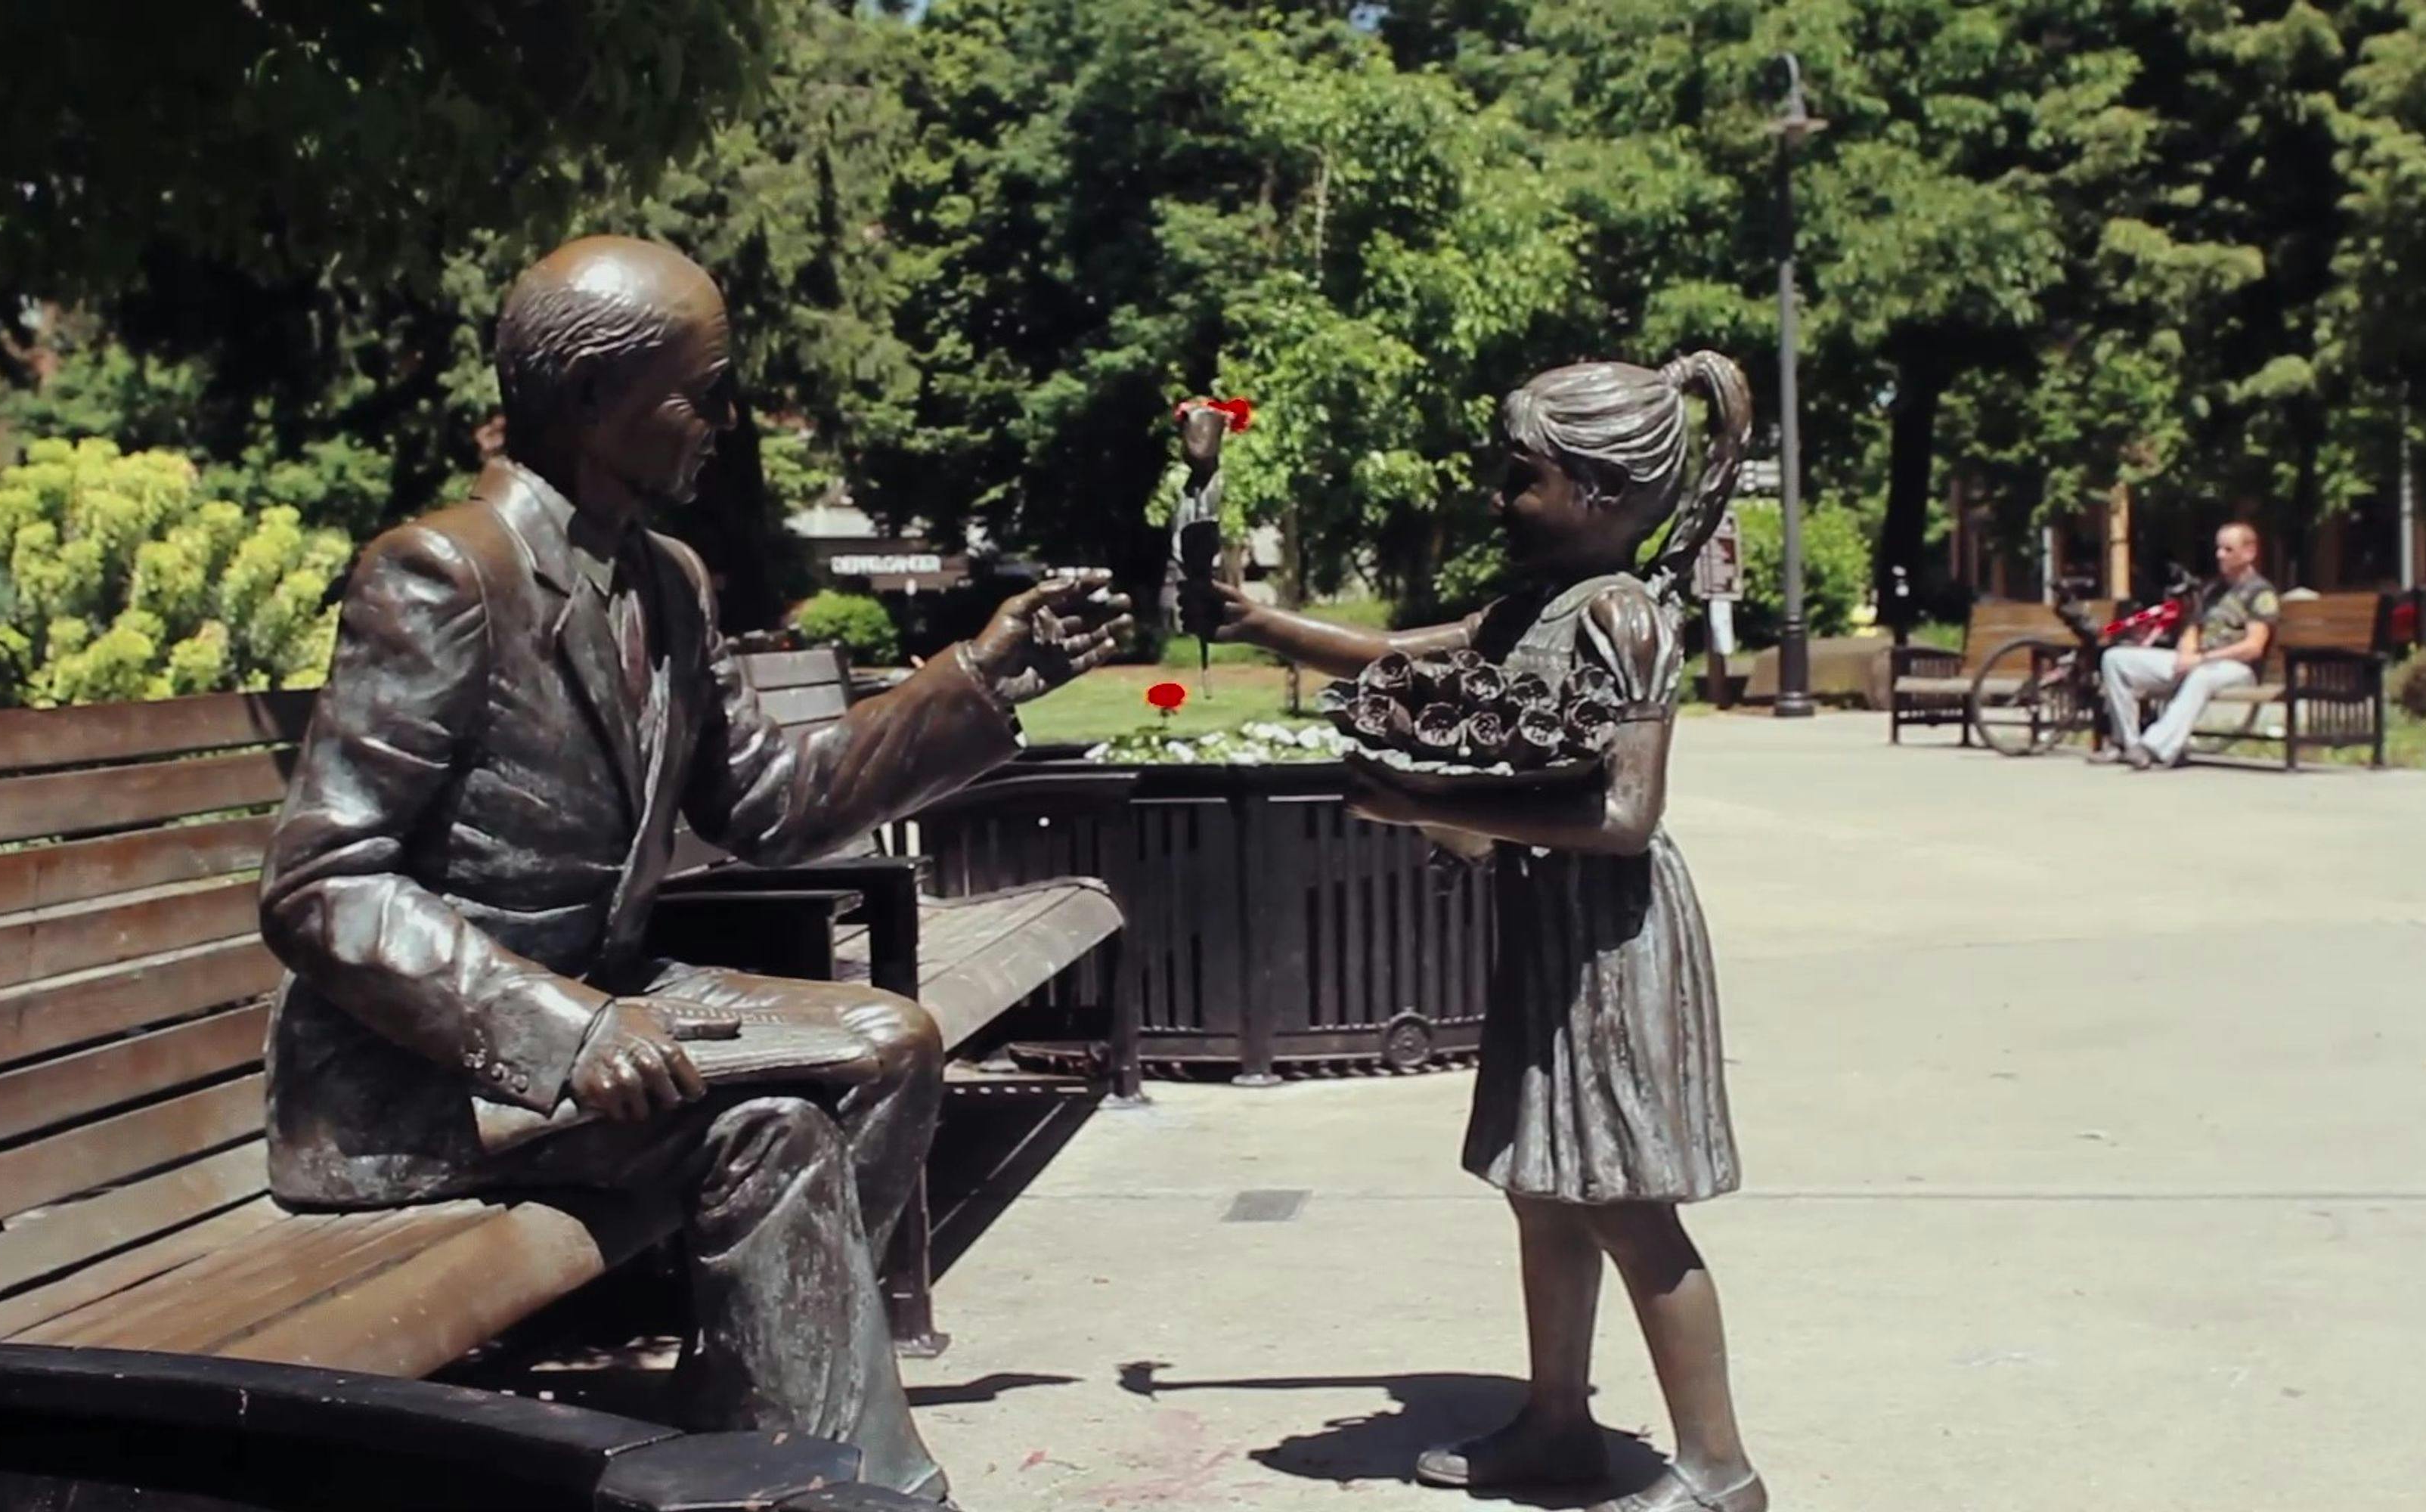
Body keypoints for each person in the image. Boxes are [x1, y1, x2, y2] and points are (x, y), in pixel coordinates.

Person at [258, 235, 1130, 1505]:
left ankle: (774, 1447)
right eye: (700, 388)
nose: (724, 419)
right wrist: (562, 1028)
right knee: (876, 1049)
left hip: (609, 1015)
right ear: (594, 398)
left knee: (793, 1116)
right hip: (422, 1083)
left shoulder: (667, 580)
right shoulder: (444, 572)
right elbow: (320, 883)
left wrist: (980, 679)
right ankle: (826, 1459)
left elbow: (769, 804)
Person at [1190, 357, 1765, 1512]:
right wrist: (1260, 622)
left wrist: (1428, 805)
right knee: (1543, 1187)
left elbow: (1623, 814)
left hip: (1612, 941)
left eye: (1521, 479)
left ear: (1602, 491)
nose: (1498, 501)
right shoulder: (1529, 609)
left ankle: (1718, 1468)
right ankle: (1558, 1424)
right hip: (1549, 926)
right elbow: (1400, 655)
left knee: (1625, 1201)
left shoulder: (1621, 615)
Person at [2096, 522, 2281, 770]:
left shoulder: (2260, 592)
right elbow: (2192, 629)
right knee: (2116, 659)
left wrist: (2202, 660)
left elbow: (2253, 647)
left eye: (2228, 549)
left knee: (2202, 676)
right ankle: (2130, 744)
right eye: (2219, 549)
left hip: (2237, 669)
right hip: (2200, 662)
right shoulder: (2213, 589)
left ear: (2249, 552)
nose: (2220, 555)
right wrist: (2186, 653)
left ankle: (2155, 748)